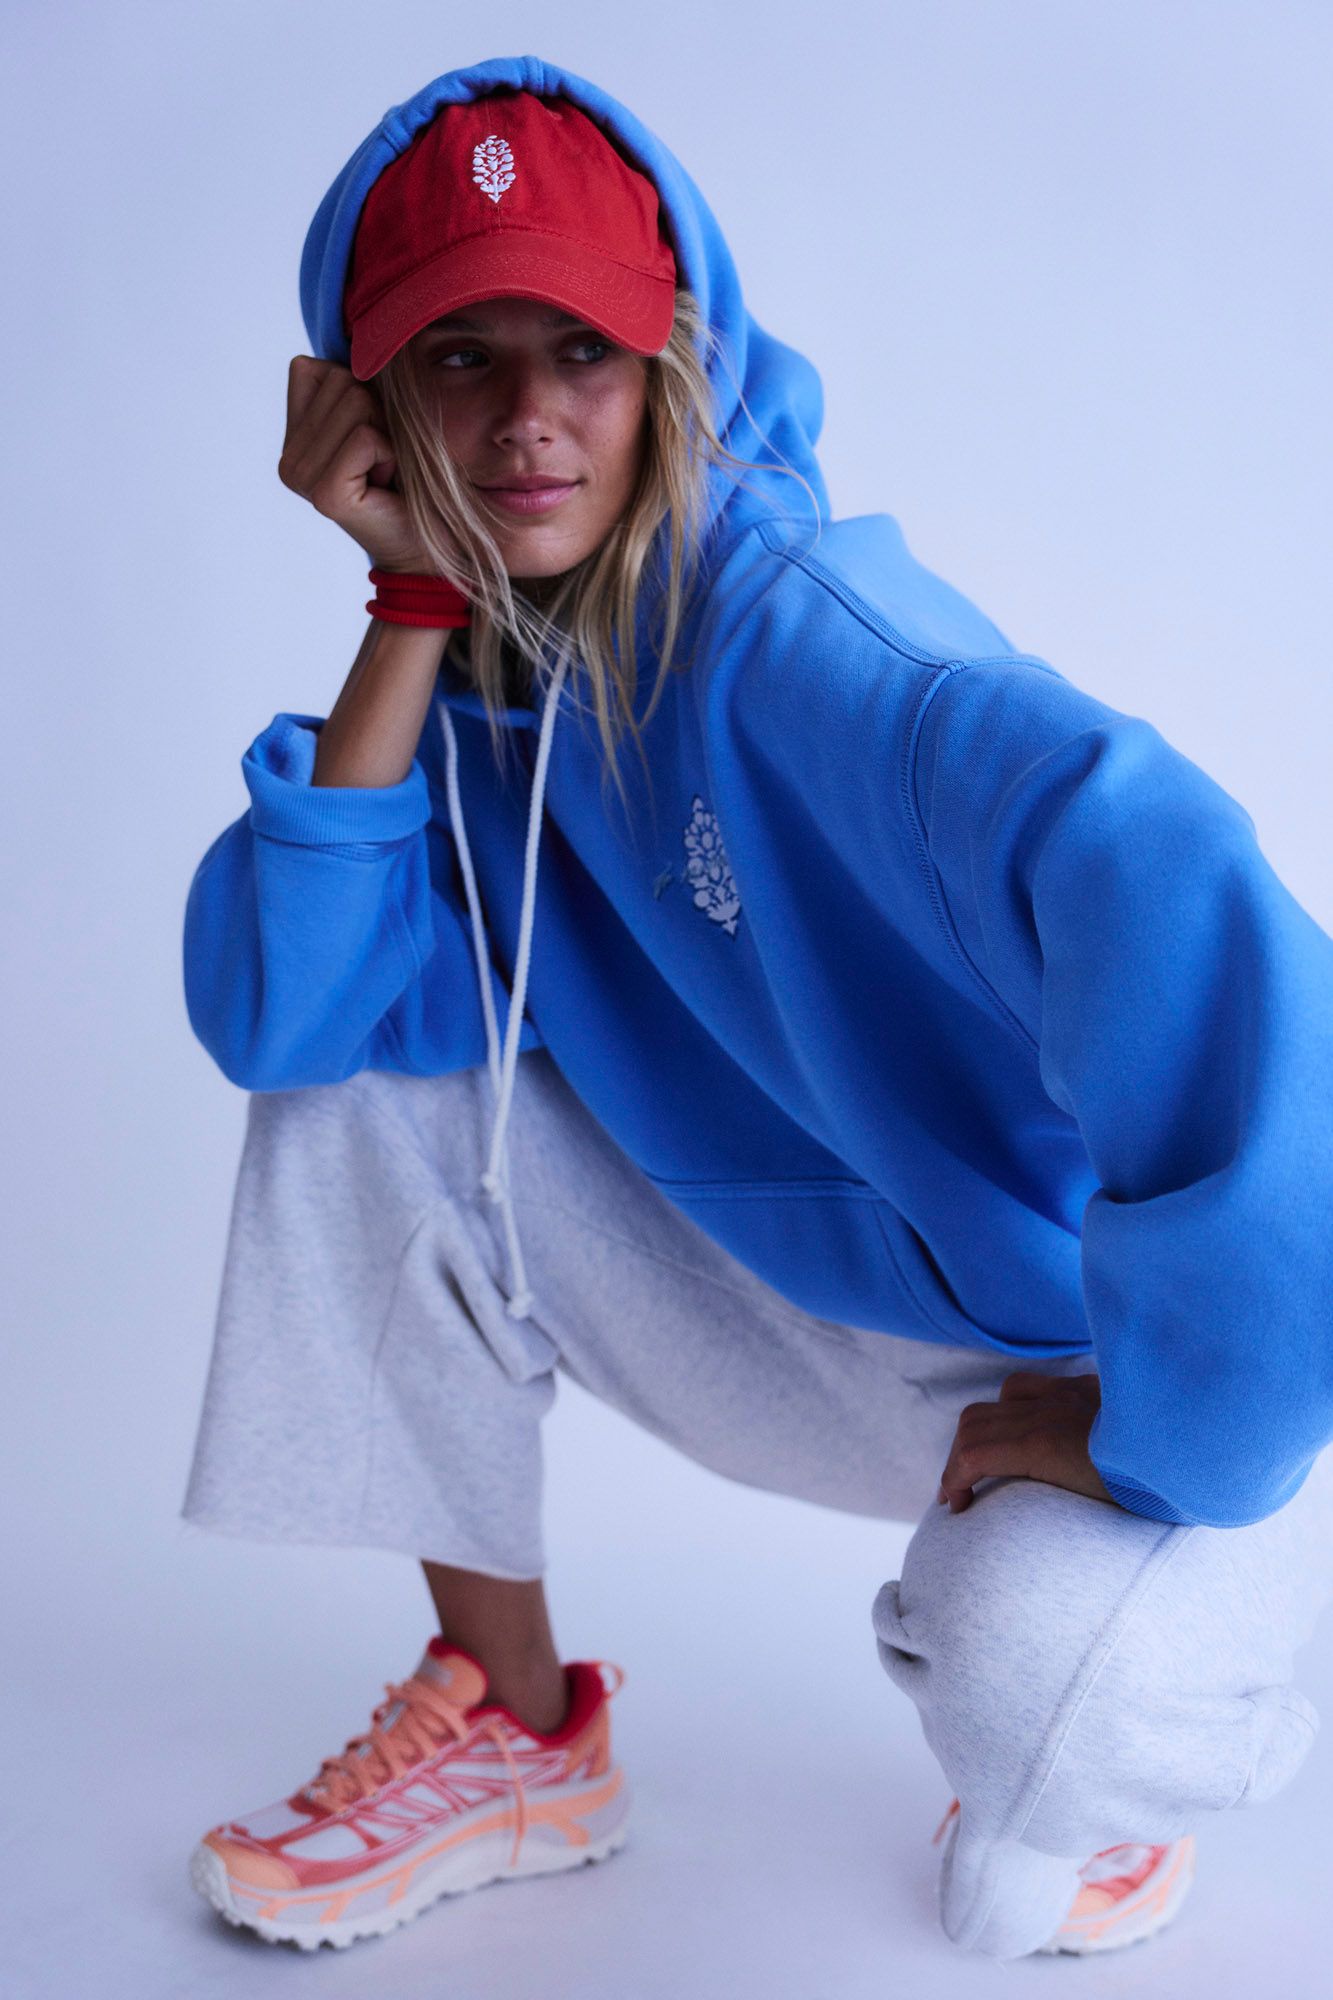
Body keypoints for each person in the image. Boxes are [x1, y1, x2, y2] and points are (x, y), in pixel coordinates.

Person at [179, 56, 1333, 1963]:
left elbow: (1194, 899)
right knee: (362, 1085)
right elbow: (283, 1023)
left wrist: (1163, 1427)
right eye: (458, 358)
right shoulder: (474, 695)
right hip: (809, 1320)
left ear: (674, 367)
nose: (527, 419)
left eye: (583, 350)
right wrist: (406, 606)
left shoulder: (812, 644)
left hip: (1076, 1358)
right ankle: (519, 1730)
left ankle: (1131, 1694)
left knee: (1040, 1729)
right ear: (362, 401)